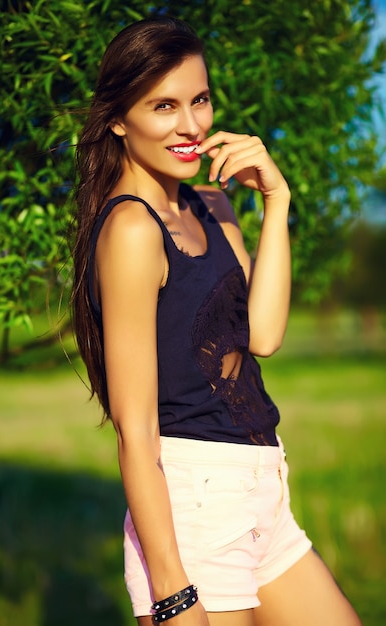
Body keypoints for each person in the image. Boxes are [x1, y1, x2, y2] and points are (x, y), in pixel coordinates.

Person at [71, 16, 362, 626]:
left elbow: (263, 335)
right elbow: (136, 426)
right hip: (192, 509)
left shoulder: (211, 202)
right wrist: (173, 589)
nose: (190, 125)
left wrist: (275, 200)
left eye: (199, 100)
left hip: (262, 497)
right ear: (120, 120)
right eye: (164, 106)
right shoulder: (130, 230)